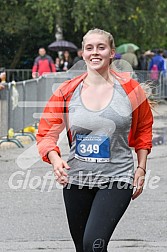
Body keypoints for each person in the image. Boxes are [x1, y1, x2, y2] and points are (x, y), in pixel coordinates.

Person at [36, 28, 153, 252]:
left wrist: (141, 167)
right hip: (77, 178)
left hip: (117, 178)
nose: (95, 52)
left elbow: (144, 130)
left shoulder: (131, 91)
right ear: (82, 53)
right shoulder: (67, 91)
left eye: (101, 47)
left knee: (94, 245)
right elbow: (46, 131)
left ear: (112, 53)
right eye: (89, 48)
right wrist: (55, 159)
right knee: (83, 248)